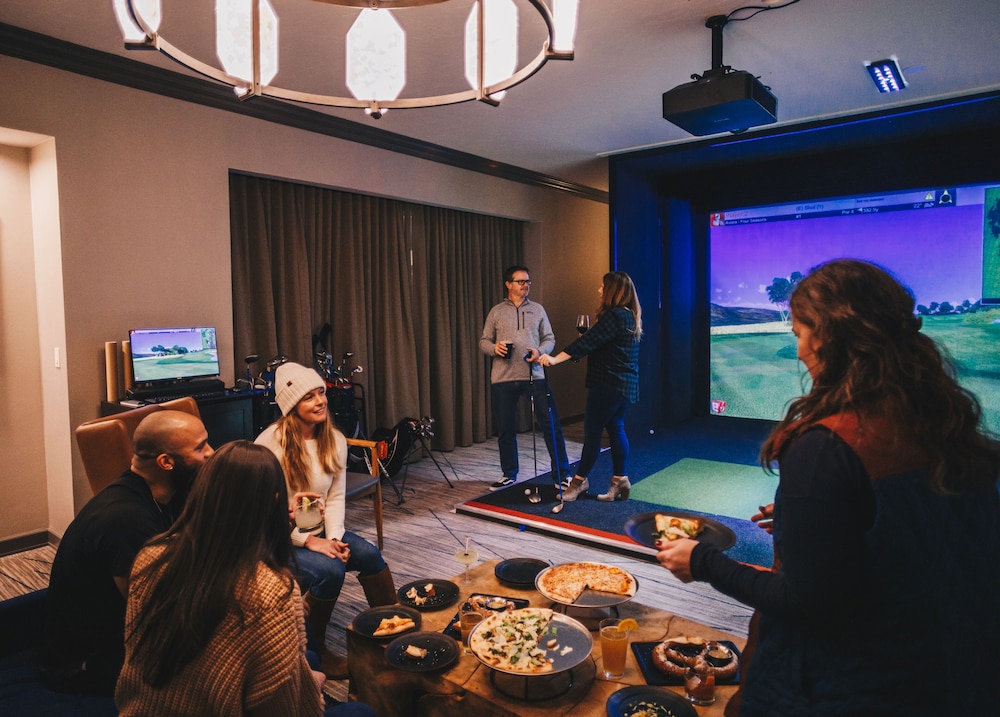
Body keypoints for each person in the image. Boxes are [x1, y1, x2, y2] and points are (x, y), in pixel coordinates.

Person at [655, 259, 1000, 715]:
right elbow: (912, 535)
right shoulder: (948, 425)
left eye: (800, 333)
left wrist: (703, 561)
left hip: (848, 687)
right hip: (953, 676)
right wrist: (824, 521)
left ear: (830, 337)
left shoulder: (827, 447)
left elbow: (806, 602)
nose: (798, 350)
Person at [115, 441, 376, 717]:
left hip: (140, 709)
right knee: (359, 711)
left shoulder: (152, 554)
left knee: (310, 657)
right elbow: (295, 711)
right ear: (275, 500)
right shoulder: (273, 593)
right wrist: (314, 685)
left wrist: (280, 524)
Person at [40, 410, 214, 695]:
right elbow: (155, 611)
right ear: (166, 462)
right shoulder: (126, 521)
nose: (211, 452)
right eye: (200, 447)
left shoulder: (166, 492)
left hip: (124, 636)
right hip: (85, 666)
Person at [255, 361, 396, 680]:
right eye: (309, 396)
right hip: (276, 538)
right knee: (331, 570)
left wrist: (333, 537)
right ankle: (315, 650)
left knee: (369, 556)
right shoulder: (268, 446)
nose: (320, 401)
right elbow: (262, 517)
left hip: (316, 527)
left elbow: (334, 497)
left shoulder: (334, 438)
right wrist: (311, 542)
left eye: (321, 392)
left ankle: (395, 630)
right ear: (292, 405)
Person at [538, 271, 642, 502]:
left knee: (593, 435)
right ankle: (620, 481)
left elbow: (585, 343)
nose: (599, 291)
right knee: (616, 428)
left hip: (606, 384)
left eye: (602, 287)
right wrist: (588, 341)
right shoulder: (628, 315)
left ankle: (578, 483)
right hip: (624, 385)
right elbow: (598, 344)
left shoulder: (613, 316)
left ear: (613, 291)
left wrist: (554, 359)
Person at [479, 265, 573, 490]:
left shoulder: (538, 310)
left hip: (535, 376)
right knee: (505, 428)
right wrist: (495, 348)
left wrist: (540, 351)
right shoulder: (496, 311)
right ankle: (509, 473)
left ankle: (562, 473)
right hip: (502, 377)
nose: (526, 285)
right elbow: (483, 341)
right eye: (521, 281)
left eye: (528, 282)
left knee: (551, 424)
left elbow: (549, 338)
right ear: (508, 284)